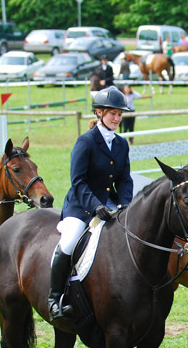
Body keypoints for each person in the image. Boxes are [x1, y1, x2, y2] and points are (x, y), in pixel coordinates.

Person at [48, 87, 133, 319]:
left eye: (119, 114)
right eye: (112, 113)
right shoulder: (85, 141)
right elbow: (78, 181)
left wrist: (125, 203)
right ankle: (54, 298)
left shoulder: (121, 144)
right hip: (81, 207)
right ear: (99, 112)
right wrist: (95, 206)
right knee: (69, 243)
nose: (116, 118)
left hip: (108, 205)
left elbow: (124, 179)